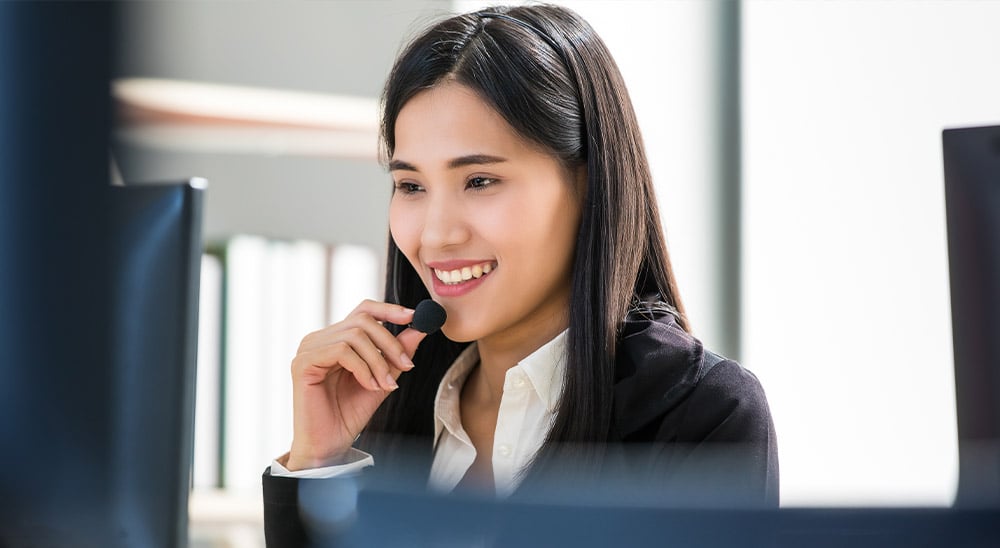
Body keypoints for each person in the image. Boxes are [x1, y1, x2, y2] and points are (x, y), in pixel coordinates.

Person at [263, 3, 778, 545]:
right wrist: (321, 463)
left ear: (587, 185)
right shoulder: (389, 410)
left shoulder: (700, 414)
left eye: (480, 181)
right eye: (411, 186)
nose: (436, 235)